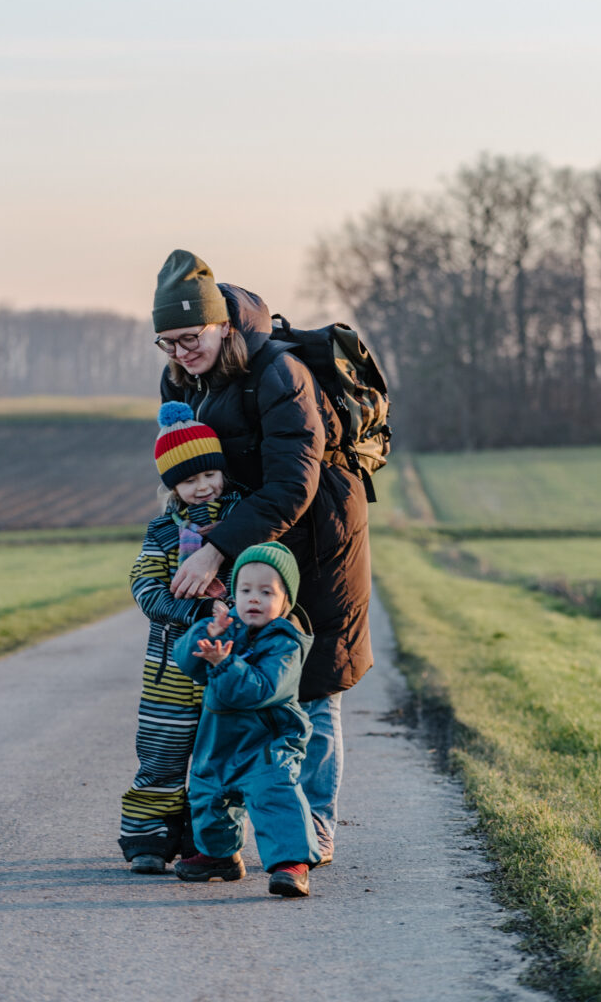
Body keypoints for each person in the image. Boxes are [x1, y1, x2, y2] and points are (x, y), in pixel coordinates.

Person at [152, 249, 374, 865]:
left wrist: (217, 549)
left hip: (319, 539)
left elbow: (292, 484)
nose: (179, 353)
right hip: (247, 542)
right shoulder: (182, 379)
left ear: (222, 323)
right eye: (165, 343)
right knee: (231, 674)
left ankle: (315, 826)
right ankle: (219, 827)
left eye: (189, 338)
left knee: (312, 682)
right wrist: (185, 534)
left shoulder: (281, 372)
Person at [118, 401, 242, 873]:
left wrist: (229, 608)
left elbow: (254, 577)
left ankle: (209, 842)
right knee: (161, 754)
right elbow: (146, 587)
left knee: (220, 761)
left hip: (224, 665)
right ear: (172, 487)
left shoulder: (240, 522)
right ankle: (147, 839)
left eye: (208, 474)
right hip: (170, 669)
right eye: (188, 481)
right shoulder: (163, 532)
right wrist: (194, 610)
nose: (202, 486)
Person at [173, 542, 320, 897]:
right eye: (245, 590)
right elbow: (187, 662)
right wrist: (204, 636)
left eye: (266, 592)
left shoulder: (285, 643)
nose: (254, 599)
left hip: (267, 742)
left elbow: (259, 690)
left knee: (274, 795)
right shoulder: (227, 627)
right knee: (209, 795)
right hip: (220, 740)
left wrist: (223, 663)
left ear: (286, 601)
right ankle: (219, 856)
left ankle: (291, 863)